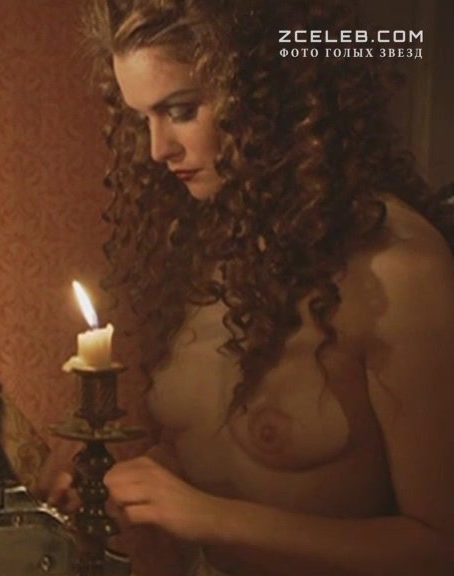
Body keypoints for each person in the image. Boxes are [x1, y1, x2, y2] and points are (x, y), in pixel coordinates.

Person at [42, 1, 454, 575]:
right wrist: (124, 482)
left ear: (266, 92)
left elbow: (441, 547)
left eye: (181, 110)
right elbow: (221, 453)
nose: (159, 150)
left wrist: (211, 518)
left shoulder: (397, 270)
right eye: (142, 119)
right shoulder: (204, 248)